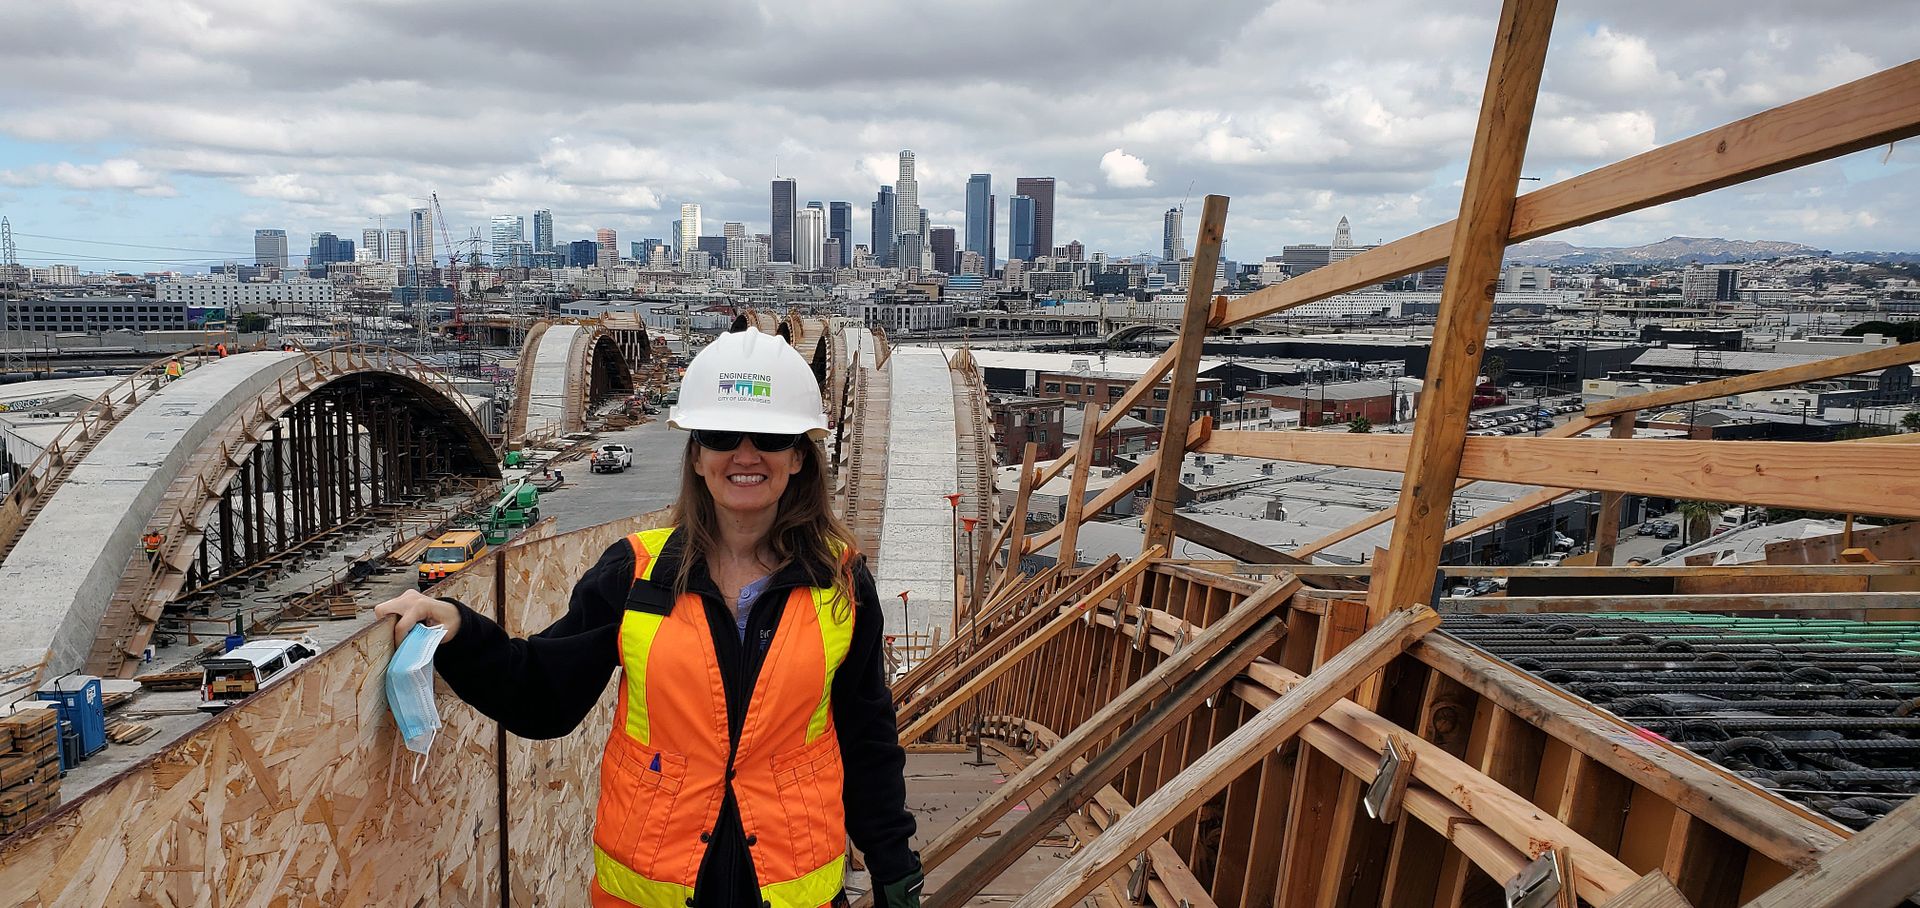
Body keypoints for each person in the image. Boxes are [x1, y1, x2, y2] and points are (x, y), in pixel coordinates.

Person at [375, 326, 920, 908]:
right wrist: (458, 629)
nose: (744, 454)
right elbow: (543, 692)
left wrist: (893, 866)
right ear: (697, 456)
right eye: (720, 435)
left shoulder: (839, 584)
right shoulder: (636, 576)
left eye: (767, 436)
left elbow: (866, 735)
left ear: (796, 458)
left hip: (789, 889)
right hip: (653, 889)